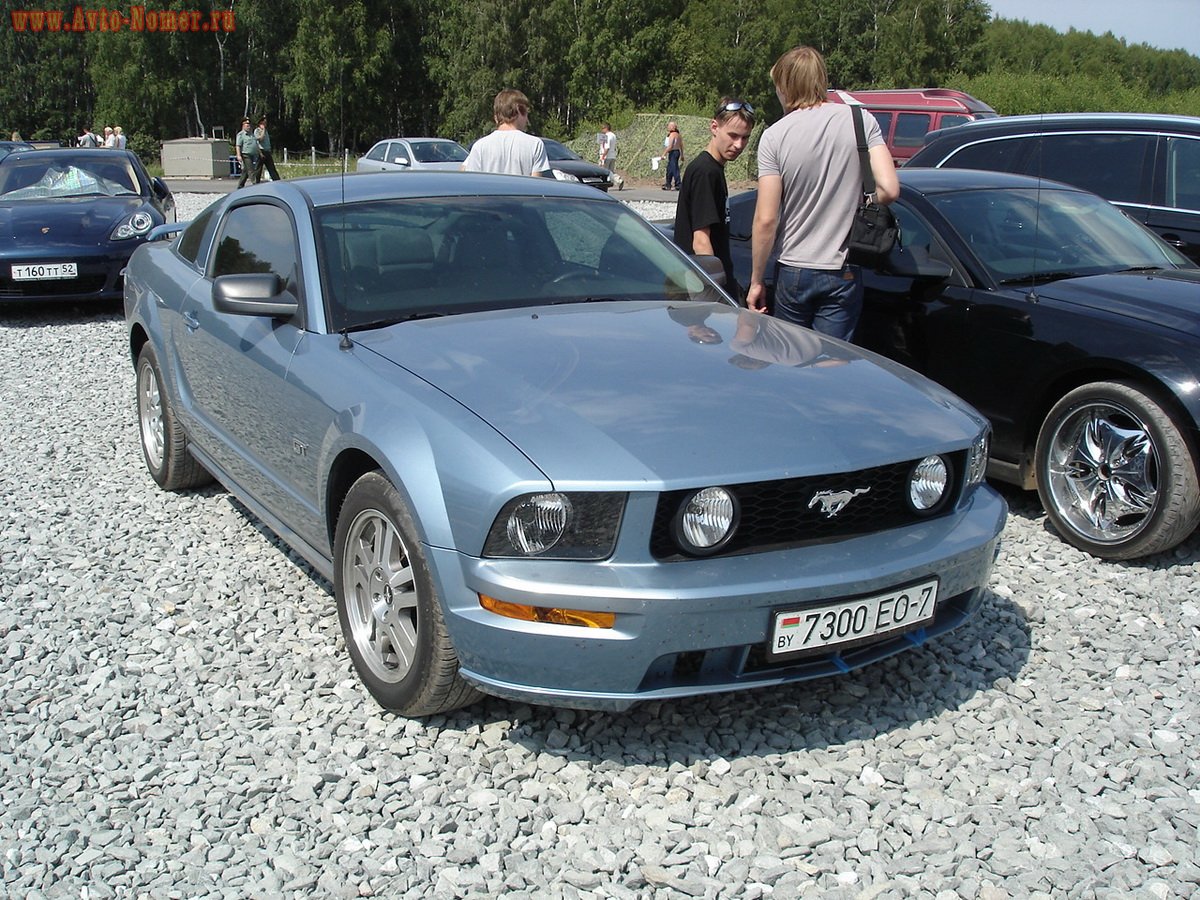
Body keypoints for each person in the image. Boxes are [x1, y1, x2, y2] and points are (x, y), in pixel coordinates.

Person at [747, 46, 898, 341]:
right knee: (833, 364)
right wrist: (855, 200)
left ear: (785, 85)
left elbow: (766, 219)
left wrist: (756, 280)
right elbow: (890, 189)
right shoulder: (860, 120)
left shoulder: (774, 136)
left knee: (792, 363)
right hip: (843, 268)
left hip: (793, 268)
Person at [672, 98, 755, 295]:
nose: (738, 145)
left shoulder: (714, 169)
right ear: (714, 127)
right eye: (733, 135)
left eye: (745, 138)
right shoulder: (705, 171)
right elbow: (700, 241)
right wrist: (715, 292)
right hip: (701, 285)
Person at [461, 90, 551, 177]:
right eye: (526, 114)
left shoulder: (480, 146)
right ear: (519, 111)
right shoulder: (535, 144)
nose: (527, 120)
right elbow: (536, 185)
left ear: (496, 117)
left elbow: (468, 177)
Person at [253, 115, 282, 183]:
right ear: (260, 123)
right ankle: (256, 182)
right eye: (264, 123)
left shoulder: (265, 131)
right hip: (261, 151)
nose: (265, 124)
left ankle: (277, 180)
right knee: (258, 169)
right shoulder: (257, 130)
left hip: (267, 151)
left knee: (271, 167)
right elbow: (260, 139)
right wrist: (263, 130)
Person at [234, 117, 261, 188]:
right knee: (251, 169)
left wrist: (259, 152)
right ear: (243, 125)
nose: (249, 125)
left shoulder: (252, 134)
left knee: (245, 172)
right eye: (247, 124)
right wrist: (238, 155)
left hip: (253, 155)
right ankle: (255, 184)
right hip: (246, 155)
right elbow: (238, 146)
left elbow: (256, 144)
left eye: (249, 124)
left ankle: (240, 186)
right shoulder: (241, 135)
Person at [598, 122, 624, 190]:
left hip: (607, 156)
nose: (601, 130)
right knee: (611, 171)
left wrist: (603, 156)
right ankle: (618, 180)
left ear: (606, 128)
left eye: (602, 128)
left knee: (603, 171)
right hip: (612, 156)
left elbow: (607, 147)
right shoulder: (613, 135)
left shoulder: (607, 136)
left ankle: (605, 185)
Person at [662, 121, 683, 191]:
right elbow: (681, 145)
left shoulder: (672, 135)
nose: (668, 127)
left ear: (672, 127)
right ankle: (668, 183)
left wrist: (664, 153)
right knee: (670, 168)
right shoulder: (678, 135)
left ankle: (678, 184)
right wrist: (682, 154)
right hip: (677, 152)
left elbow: (670, 146)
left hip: (673, 152)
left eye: (669, 126)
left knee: (674, 168)